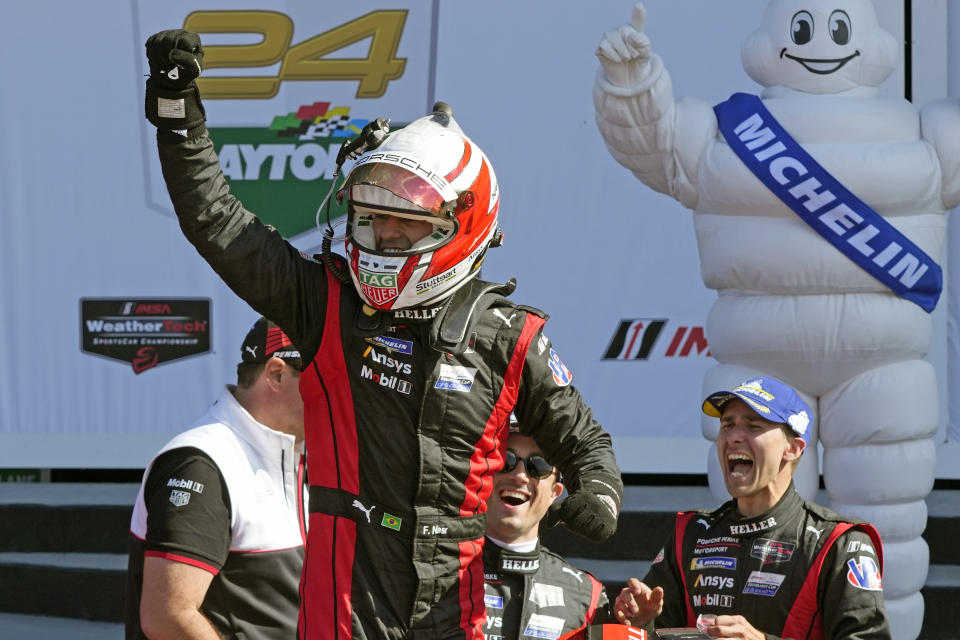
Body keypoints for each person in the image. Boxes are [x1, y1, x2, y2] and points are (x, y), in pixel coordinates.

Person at [142, 29, 623, 640]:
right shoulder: (325, 301)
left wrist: (601, 495)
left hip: (461, 599)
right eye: (373, 220)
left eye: (405, 224)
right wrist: (176, 112)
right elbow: (215, 220)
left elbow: (584, 440)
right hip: (349, 595)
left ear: (462, 227)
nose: (385, 238)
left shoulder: (510, 335)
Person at [613, 376, 891, 639]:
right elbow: (656, 628)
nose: (733, 436)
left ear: (793, 448)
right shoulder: (691, 534)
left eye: (753, 426)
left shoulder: (839, 543)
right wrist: (641, 624)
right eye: (727, 425)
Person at [125, 317, 307, 640]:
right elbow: (166, 617)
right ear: (277, 375)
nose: (338, 397)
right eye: (325, 382)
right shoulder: (201, 462)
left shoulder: (296, 453)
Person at [483, 421, 612, 640]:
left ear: (555, 492)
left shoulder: (587, 594)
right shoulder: (435, 569)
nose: (520, 476)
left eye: (538, 466)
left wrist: (641, 626)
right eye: (507, 459)